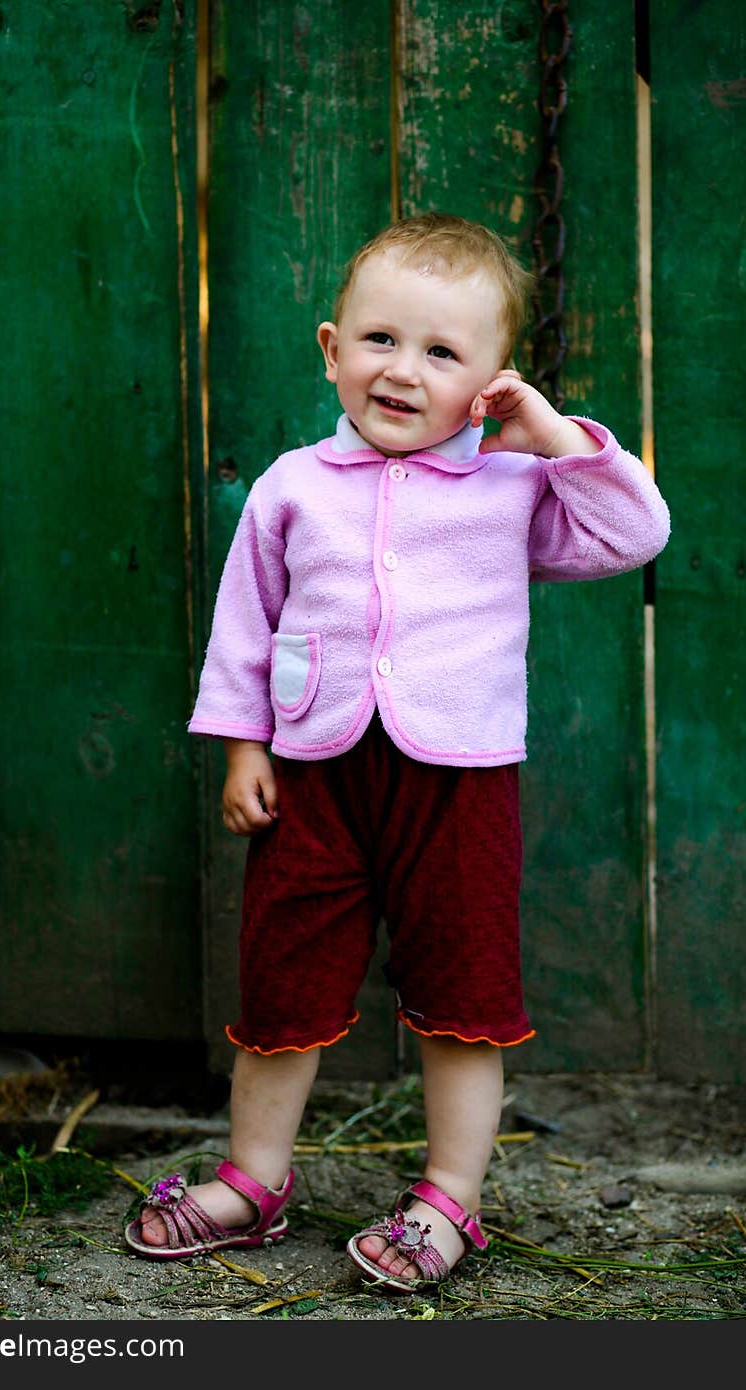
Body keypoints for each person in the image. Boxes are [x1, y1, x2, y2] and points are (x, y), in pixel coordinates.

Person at [124, 212, 671, 1290]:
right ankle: (253, 1177)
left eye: (441, 352)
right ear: (331, 348)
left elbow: (633, 534)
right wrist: (242, 748)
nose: (402, 371)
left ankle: (448, 1200)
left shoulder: (518, 489)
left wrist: (553, 433)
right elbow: (245, 625)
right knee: (281, 986)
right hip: (315, 778)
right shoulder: (292, 486)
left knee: (462, 993)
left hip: (457, 784)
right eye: (378, 340)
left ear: (489, 384)